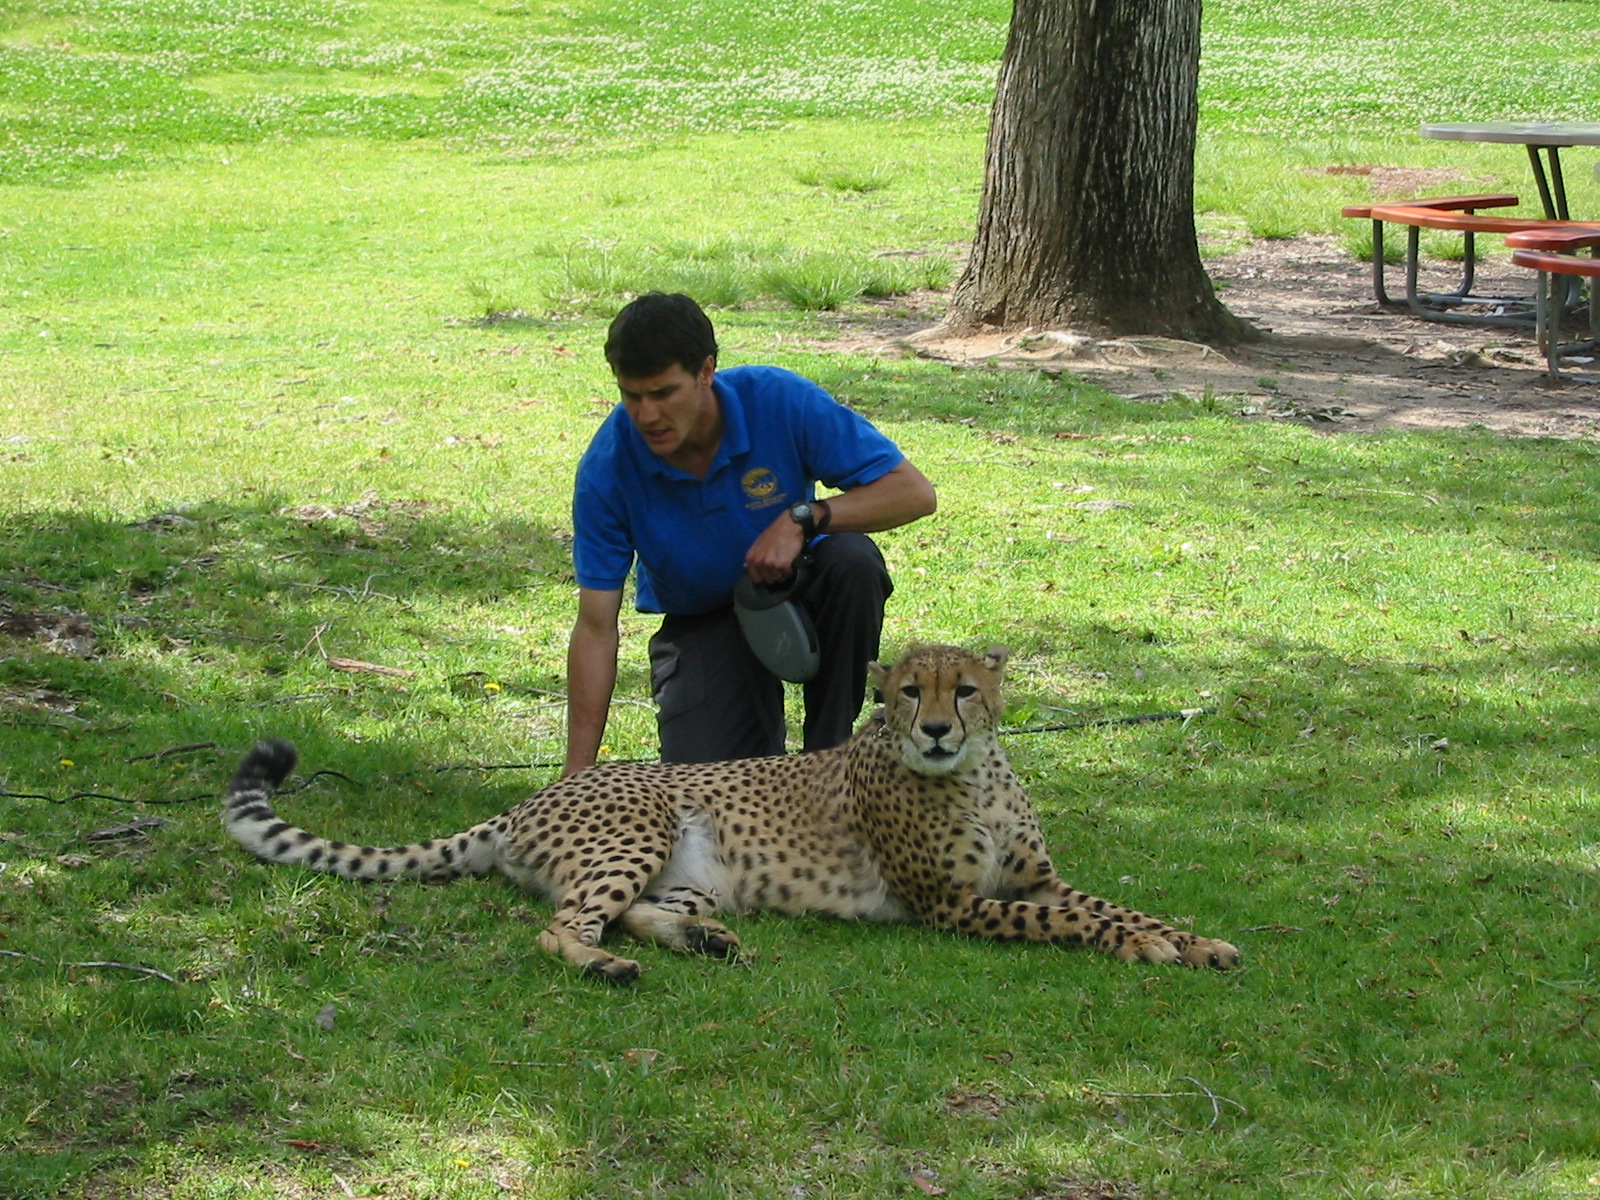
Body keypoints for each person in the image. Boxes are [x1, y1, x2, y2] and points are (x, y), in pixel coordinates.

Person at [563, 292, 936, 774]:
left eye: (663, 393)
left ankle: (832, 763)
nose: (647, 416)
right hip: (703, 620)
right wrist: (576, 774)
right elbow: (596, 627)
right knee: (711, 792)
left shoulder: (777, 400)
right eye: (631, 396)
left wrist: (802, 517)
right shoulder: (608, 467)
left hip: (798, 586)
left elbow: (914, 493)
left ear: (705, 371)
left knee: (852, 561)